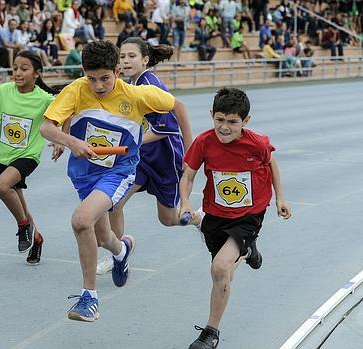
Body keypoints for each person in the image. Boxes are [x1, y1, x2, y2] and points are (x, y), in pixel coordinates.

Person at [39, 41, 179, 322]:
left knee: (81, 220)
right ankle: (122, 249)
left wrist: (189, 153)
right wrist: (69, 140)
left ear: (117, 71)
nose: (98, 85)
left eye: (105, 78)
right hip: (84, 173)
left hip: (119, 171)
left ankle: (89, 297)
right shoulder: (77, 89)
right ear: (83, 73)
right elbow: (46, 127)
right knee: (103, 237)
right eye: (91, 79)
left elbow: (179, 107)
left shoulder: (138, 95)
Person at [179, 87, 291, 349]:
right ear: (211, 115)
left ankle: (210, 333)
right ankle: (248, 251)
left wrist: (280, 198)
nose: (225, 127)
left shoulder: (257, 143)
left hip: (249, 216)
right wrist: (185, 201)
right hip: (215, 214)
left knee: (219, 268)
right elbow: (188, 175)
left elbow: (272, 162)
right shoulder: (204, 142)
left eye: (232, 122)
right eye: (219, 120)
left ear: (245, 121)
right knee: (226, 273)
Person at [95, 38, 198, 275]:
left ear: (145, 60)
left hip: (164, 160)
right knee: (114, 203)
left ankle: (199, 218)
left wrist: (189, 150)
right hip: (141, 159)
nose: (126, 60)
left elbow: (166, 127)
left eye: (132, 56)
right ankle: (118, 253)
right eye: (122, 56)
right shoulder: (128, 84)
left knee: (168, 219)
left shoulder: (148, 86)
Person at [0, 50, 59, 265]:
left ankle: (23, 227)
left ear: (37, 74)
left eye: (24, 69)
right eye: (15, 68)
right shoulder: (4, 91)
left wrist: (59, 140)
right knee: (20, 204)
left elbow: (65, 114)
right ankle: (37, 237)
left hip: (28, 156)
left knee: (1, 187)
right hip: (5, 157)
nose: (18, 72)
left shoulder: (45, 99)